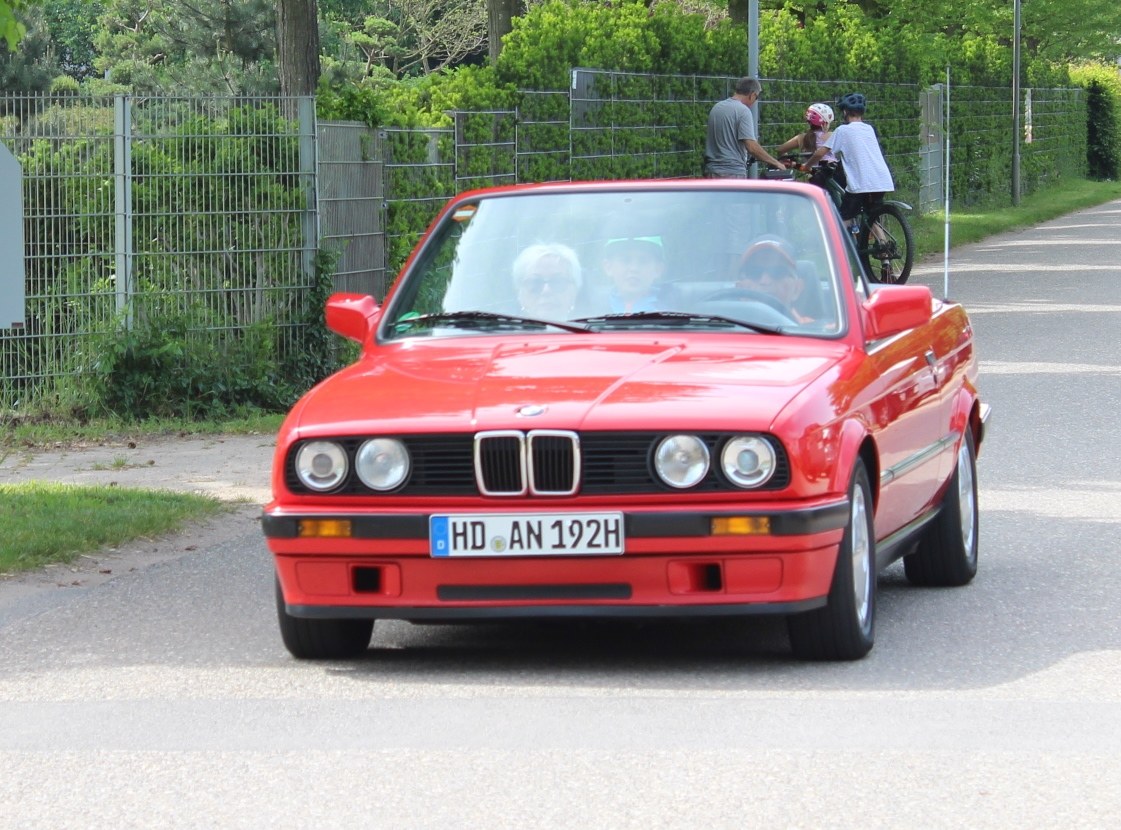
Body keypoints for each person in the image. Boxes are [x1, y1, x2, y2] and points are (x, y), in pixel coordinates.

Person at [804, 92, 894, 228]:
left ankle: (842, 242)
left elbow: (820, 153)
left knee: (844, 220)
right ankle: (883, 241)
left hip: (860, 184)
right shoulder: (869, 129)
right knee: (871, 218)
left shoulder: (842, 130)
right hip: (882, 181)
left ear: (845, 112)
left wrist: (807, 165)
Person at [703, 77, 788, 178]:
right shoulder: (743, 111)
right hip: (732, 173)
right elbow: (751, 146)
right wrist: (776, 163)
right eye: (756, 98)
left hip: (711, 172)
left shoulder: (717, 107)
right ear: (752, 95)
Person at [735, 237, 812, 323]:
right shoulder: (725, 328)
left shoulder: (816, 330)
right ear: (740, 288)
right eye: (754, 272)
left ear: (797, 289)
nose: (765, 281)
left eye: (778, 272)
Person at [599, 234, 676, 313]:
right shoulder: (594, 308)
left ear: (658, 269)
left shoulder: (674, 310)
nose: (634, 268)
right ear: (608, 267)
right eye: (625, 260)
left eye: (643, 261)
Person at [511, 242, 583, 320]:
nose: (546, 291)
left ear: (574, 292)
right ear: (520, 295)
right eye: (535, 283)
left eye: (557, 282)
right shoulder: (503, 328)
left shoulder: (591, 327)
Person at [777, 103, 840, 189]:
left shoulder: (801, 138)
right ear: (824, 124)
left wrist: (788, 161)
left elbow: (780, 149)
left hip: (812, 177)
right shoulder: (831, 135)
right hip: (832, 177)